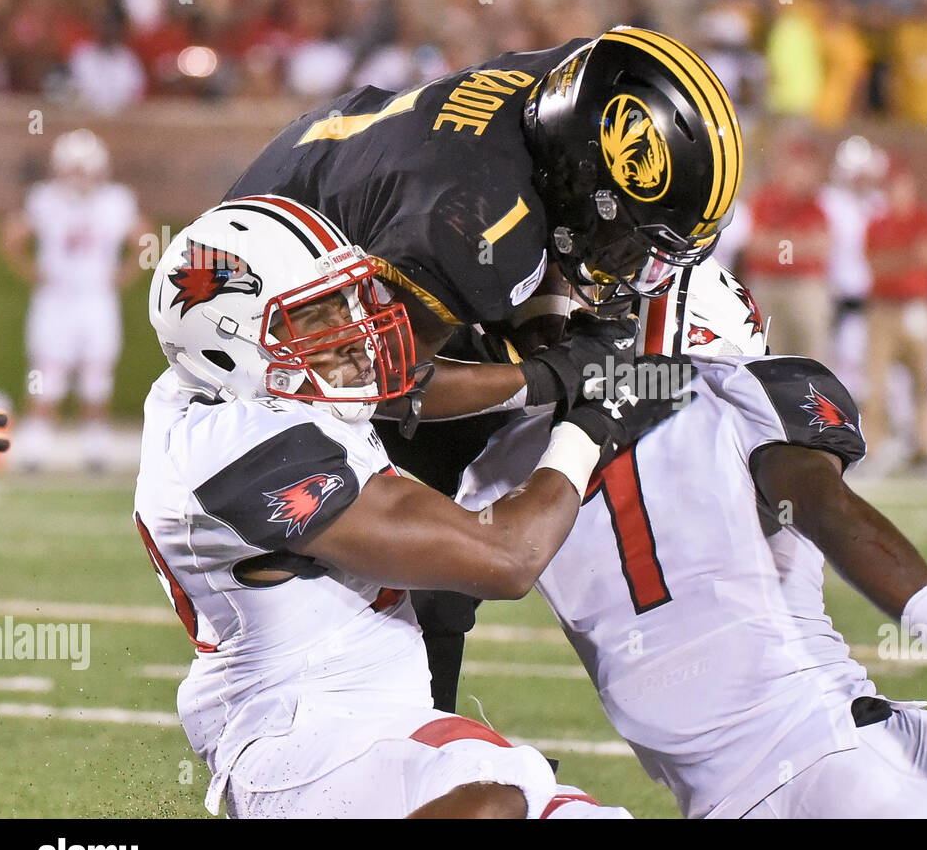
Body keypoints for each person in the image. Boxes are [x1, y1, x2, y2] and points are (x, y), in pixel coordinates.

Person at [456, 261, 927, 820]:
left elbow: (434, 612)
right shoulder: (736, 390)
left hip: (728, 799)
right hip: (838, 755)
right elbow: (829, 511)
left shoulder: (494, 470)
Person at [226, 25, 744, 709]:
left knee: (464, 485)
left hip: (343, 200)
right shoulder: (476, 221)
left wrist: (552, 334)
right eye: (626, 236)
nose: (627, 265)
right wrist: (556, 375)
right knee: (434, 539)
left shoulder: (569, 92)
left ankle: (418, 726)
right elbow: (387, 386)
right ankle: (397, 734)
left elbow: (541, 232)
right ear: (587, 178)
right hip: (265, 320)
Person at [134, 196, 680, 818]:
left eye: (343, 299)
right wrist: (594, 419)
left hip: (370, 721)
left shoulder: (253, 384)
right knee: (491, 804)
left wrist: (555, 369)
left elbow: (411, 392)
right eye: (315, 315)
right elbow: (507, 555)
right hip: (298, 738)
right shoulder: (230, 448)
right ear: (229, 345)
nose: (352, 327)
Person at [1, 129, 151, 472]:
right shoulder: (46, 199)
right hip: (56, 299)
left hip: (95, 299)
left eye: (84, 168)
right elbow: (11, 237)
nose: (79, 176)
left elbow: (145, 240)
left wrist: (122, 276)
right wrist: (34, 272)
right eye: (73, 168)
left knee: (96, 373)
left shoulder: (116, 200)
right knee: (45, 371)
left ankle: (94, 445)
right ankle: (36, 445)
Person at [862, 156, 927, 467]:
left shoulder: (925, 219)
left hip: (917, 308)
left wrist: (896, 262)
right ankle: (872, 448)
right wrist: (905, 260)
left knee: (925, 381)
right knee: (876, 383)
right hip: (883, 309)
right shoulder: (878, 223)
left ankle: (926, 447)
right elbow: (875, 265)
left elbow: (926, 257)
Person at [740, 132, 832, 361]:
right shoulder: (764, 200)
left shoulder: (816, 205)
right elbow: (756, 245)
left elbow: (821, 246)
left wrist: (780, 242)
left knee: (810, 357)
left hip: (805, 287)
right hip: (768, 285)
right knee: (768, 355)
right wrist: (797, 243)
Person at [818, 135, 885, 398]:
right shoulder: (828, 202)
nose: (862, 179)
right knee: (838, 370)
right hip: (835, 297)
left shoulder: (880, 205)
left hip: (875, 300)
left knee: (875, 373)